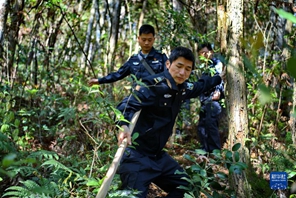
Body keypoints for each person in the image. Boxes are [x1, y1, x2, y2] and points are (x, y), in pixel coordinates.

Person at [116, 46, 224, 197]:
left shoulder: (183, 88)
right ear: (168, 64)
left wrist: (220, 77)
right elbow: (126, 106)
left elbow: (201, 85)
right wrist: (123, 125)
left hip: (158, 157)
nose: (182, 72)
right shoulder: (152, 85)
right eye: (179, 66)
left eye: (187, 69)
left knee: (187, 187)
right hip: (136, 157)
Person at [88, 24, 168, 86]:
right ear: (138, 39)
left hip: (156, 99)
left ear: (154, 39)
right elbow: (118, 74)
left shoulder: (161, 58)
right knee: (121, 107)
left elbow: (170, 76)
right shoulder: (133, 60)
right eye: (144, 40)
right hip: (137, 98)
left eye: (149, 40)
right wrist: (99, 80)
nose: (146, 43)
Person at [196, 42, 225, 153]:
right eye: (201, 53)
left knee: (211, 124)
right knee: (202, 126)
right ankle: (205, 150)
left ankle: (215, 151)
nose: (204, 55)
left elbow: (220, 77)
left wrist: (218, 90)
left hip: (213, 99)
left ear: (211, 52)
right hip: (204, 100)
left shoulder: (217, 63)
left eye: (206, 52)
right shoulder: (203, 67)